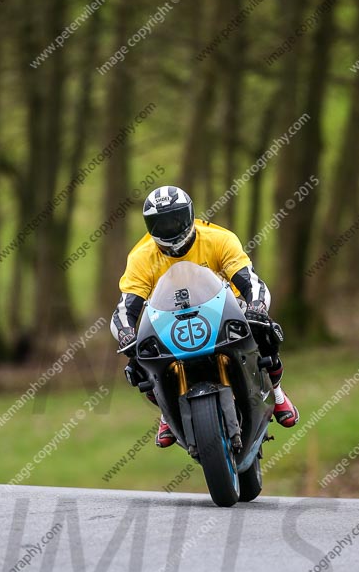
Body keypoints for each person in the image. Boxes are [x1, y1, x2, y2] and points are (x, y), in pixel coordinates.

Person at [111, 185, 299, 447]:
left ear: (189, 215)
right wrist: (126, 332)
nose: (170, 228)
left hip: (225, 309)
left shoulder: (219, 238)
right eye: (161, 224)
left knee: (266, 330)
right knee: (137, 362)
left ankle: (277, 395)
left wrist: (256, 305)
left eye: (175, 219)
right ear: (149, 227)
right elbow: (125, 307)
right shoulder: (141, 257)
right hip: (169, 321)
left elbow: (250, 280)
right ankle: (167, 413)